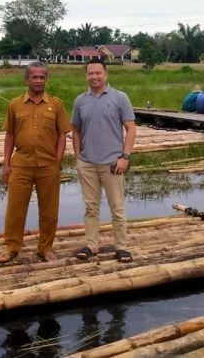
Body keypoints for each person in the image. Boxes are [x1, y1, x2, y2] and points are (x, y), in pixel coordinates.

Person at [0, 61, 72, 264]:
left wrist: (57, 161)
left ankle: (45, 248)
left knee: (49, 211)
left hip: (48, 166)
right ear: (26, 79)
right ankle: (11, 247)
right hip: (21, 164)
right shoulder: (14, 105)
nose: (38, 80)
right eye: (34, 77)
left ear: (46, 79)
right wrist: (6, 164)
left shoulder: (56, 104)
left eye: (42, 77)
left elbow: (62, 135)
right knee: (15, 209)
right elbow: (10, 135)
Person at [72, 60, 136, 263]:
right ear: (86, 76)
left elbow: (131, 129)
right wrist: (78, 157)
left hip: (112, 163)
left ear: (105, 74)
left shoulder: (119, 98)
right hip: (87, 163)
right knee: (91, 207)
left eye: (98, 73)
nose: (94, 77)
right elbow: (75, 130)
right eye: (90, 73)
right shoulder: (80, 101)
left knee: (117, 207)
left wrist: (125, 157)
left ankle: (121, 247)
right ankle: (91, 245)